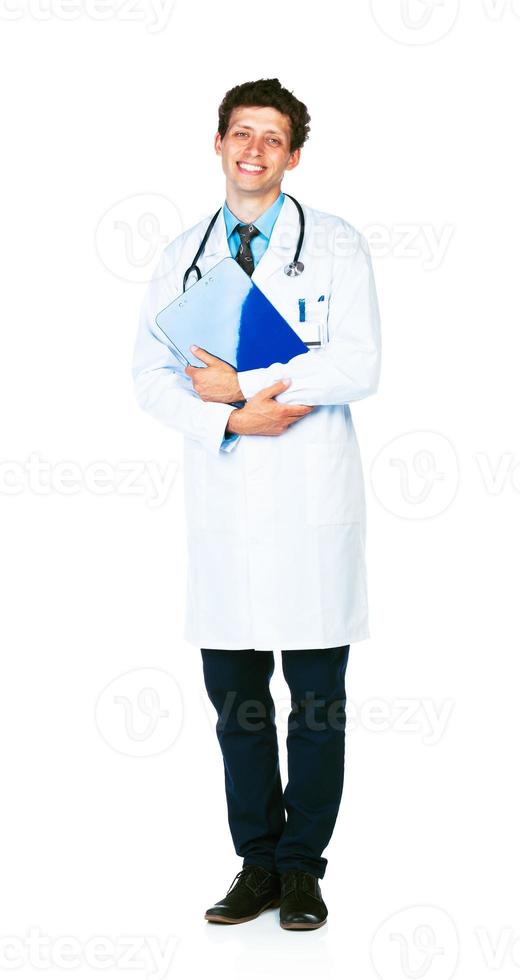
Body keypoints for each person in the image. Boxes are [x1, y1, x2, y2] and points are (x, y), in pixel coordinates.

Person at [132, 77, 381, 930]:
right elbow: (151, 381)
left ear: (294, 154)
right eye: (242, 133)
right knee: (236, 704)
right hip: (227, 505)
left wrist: (242, 380)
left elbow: (359, 363)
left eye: (272, 139)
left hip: (312, 506)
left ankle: (304, 867)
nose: (254, 150)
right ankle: (256, 863)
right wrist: (235, 416)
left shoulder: (338, 247)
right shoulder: (180, 256)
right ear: (218, 143)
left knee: (316, 706)